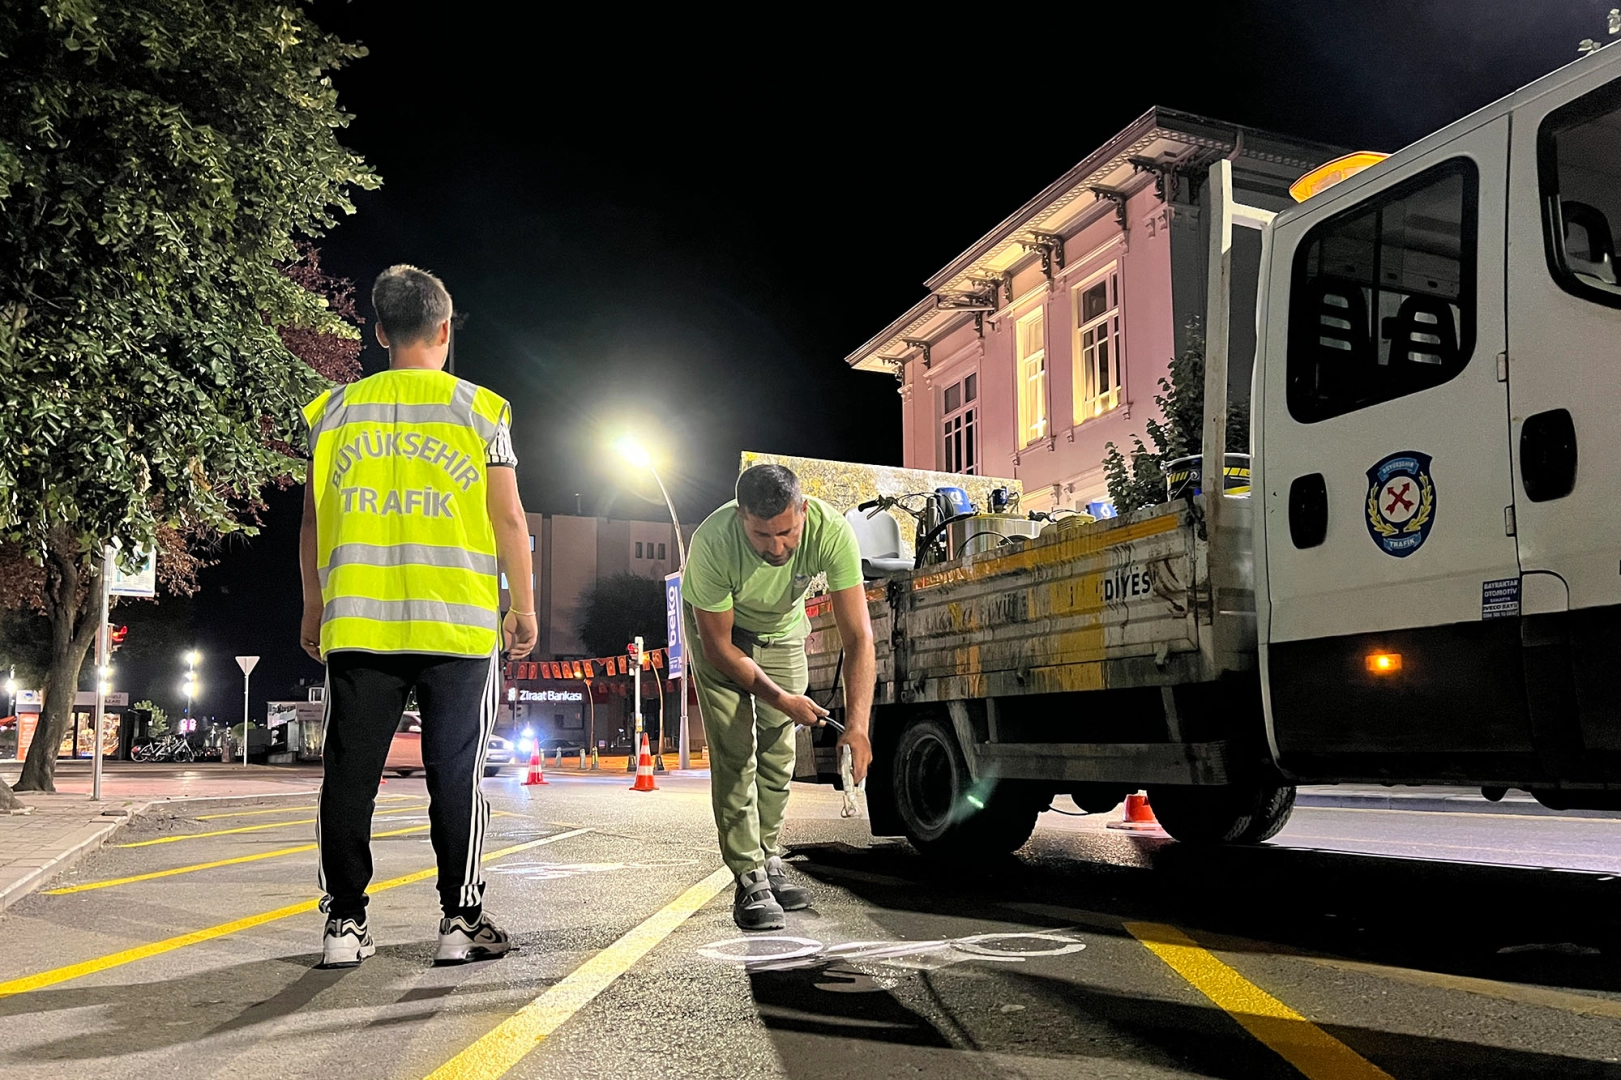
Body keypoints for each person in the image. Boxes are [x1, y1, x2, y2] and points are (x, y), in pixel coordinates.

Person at [298, 265, 537, 968]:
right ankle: (458, 923)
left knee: (349, 775)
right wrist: (520, 606)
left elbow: (312, 521)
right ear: (443, 330)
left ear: (377, 333)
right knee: (455, 776)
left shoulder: (334, 412)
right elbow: (509, 515)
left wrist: (314, 606)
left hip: (360, 623)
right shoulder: (481, 410)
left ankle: (344, 924)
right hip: (456, 627)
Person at [684, 464, 874, 931]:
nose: (777, 548)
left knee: (777, 753)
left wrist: (858, 726)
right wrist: (781, 698)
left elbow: (859, 638)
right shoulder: (712, 543)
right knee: (735, 750)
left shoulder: (831, 532)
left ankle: (769, 857)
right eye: (761, 535)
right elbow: (720, 647)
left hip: (784, 633)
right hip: (722, 639)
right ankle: (748, 875)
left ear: (803, 511)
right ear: (741, 518)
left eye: (786, 533)